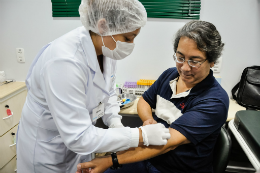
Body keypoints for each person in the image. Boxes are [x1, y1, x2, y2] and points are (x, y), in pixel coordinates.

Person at [16, 0, 171, 173]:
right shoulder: (64, 61)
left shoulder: (106, 48)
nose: (130, 45)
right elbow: (79, 137)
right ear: (102, 25)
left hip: (79, 145)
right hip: (48, 150)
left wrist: (115, 124)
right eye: (128, 38)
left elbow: (108, 92)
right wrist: (141, 136)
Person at [76, 20, 229, 173]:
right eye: (180, 57)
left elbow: (169, 143)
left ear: (212, 61)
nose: (185, 67)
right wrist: (148, 120)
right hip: (148, 158)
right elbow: (144, 101)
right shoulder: (170, 75)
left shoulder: (214, 101)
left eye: (194, 61)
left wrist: (111, 159)